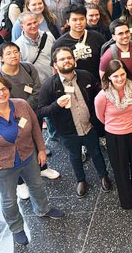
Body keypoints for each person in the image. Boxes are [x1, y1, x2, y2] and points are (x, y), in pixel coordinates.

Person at [0, 76, 64, 246]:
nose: (1, 93)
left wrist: (41, 149)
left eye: (4, 89)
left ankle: (43, 209)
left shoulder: (21, 104)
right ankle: (16, 228)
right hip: (3, 168)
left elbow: (35, 126)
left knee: (37, 185)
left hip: (28, 158)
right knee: (9, 199)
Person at [39, 47, 111, 198]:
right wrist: (56, 105)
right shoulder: (49, 86)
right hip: (68, 131)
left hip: (89, 126)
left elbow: (100, 93)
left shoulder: (86, 76)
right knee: (75, 156)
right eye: (62, 59)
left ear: (74, 60)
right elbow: (41, 111)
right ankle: (81, 180)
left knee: (96, 152)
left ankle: (103, 176)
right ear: (55, 65)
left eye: (69, 58)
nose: (66, 61)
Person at [0, 42, 60, 197]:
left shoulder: (28, 67)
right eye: (9, 53)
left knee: (37, 140)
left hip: (32, 113)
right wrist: (18, 112)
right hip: (11, 119)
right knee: (16, 147)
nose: (13, 56)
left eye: (16, 52)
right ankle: (20, 183)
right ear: (1, 58)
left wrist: (25, 108)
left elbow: (38, 90)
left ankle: (43, 168)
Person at [95, 60, 132, 209]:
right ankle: (127, 201)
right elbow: (101, 117)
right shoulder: (102, 96)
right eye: (115, 76)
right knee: (121, 170)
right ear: (109, 77)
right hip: (115, 136)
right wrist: (117, 125)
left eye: (122, 74)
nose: (120, 79)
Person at [52, 4, 106, 83]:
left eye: (82, 19)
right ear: (68, 22)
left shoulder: (98, 38)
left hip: (96, 83)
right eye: (74, 20)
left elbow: (105, 61)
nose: (79, 23)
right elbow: (55, 69)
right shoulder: (60, 44)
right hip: (73, 84)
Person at [99, 20, 132, 96]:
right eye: (120, 33)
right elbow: (103, 78)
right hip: (120, 95)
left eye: (127, 32)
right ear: (114, 37)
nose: (125, 36)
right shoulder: (108, 55)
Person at [14, 12, 55, 84]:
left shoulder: (49, 36)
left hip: (54, 80)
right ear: (22, 27)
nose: (33, 26)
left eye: (35, 22)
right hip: (38, 86)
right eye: (29, 24)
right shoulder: (18, 47)